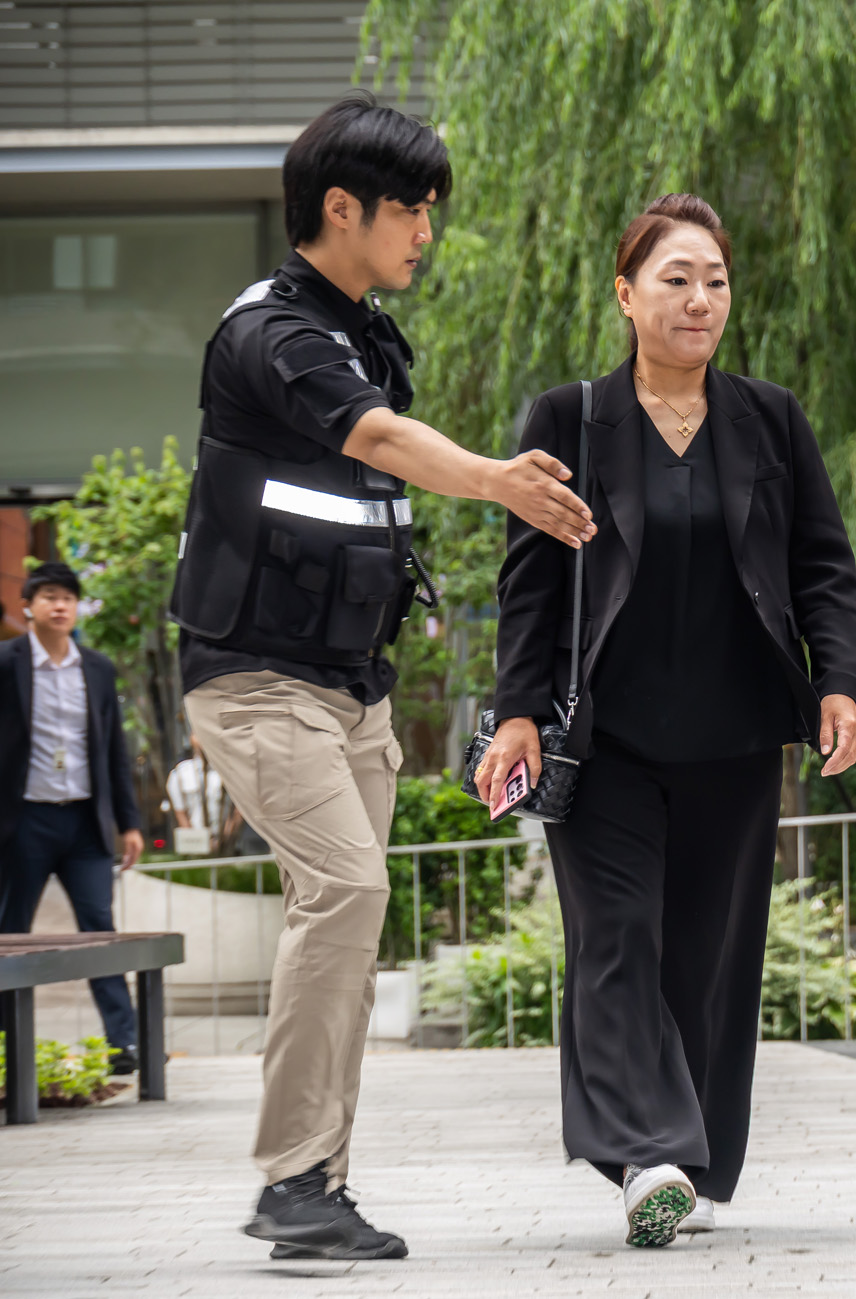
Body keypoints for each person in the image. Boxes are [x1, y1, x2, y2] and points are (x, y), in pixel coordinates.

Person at [169, 94, 595, 1262]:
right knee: (346, 894)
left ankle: (317, 1190)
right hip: (254, 679)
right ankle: (292, 1178)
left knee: (350, 926)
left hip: (347, 687)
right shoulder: (275, 333)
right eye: (410, 210)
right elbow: (379, 441)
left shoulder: (357, 326)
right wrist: (500, 481)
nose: (425, 233)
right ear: (341, 208)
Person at [479, 193, 856, 1248]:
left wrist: (837, 682)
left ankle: (685, 1159)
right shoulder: (569, 419)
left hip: (735, 735)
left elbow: (820, 566)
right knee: (614, 941)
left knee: (705, 955)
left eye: (716, 281)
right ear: (625, 295)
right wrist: (516, 713)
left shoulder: (769, 417)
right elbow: (530, 585)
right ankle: (647, 1150)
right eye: (675, 279)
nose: (699, 300)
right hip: (599, 740)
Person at [0, 561, 145, 1073]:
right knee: (8, 933)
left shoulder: (98, 668)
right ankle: (3, 1052)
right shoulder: (7, 662)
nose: (60, 606)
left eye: (68, 597)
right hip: (22, 824)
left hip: (85, 822)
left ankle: (124, 1047)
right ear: (29, 607)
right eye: (49, 597)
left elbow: (113, 751)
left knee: (99, 932)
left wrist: (128, 822)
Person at [165, 738, 237, 857]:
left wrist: (225, 836)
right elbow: (180, 813)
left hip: (225, 843)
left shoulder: (229, 771)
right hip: (194, 841)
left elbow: (237, 811)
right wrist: (197, 841)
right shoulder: (180, 773)